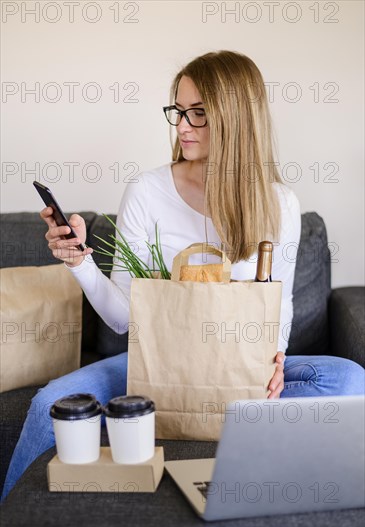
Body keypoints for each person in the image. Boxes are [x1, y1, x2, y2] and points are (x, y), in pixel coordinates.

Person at [2, 50, 364, 501]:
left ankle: (238, 438)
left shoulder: (279, 204)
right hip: (155, 364)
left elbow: (280, 302)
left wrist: (273, 358)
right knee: (48, 405)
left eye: (198, 113)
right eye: (178, 111)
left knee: (349, 381)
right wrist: (81, 264)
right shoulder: (148, 192)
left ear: (237, 119)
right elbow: (122, 319)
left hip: (240, 365)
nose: (182, 126)